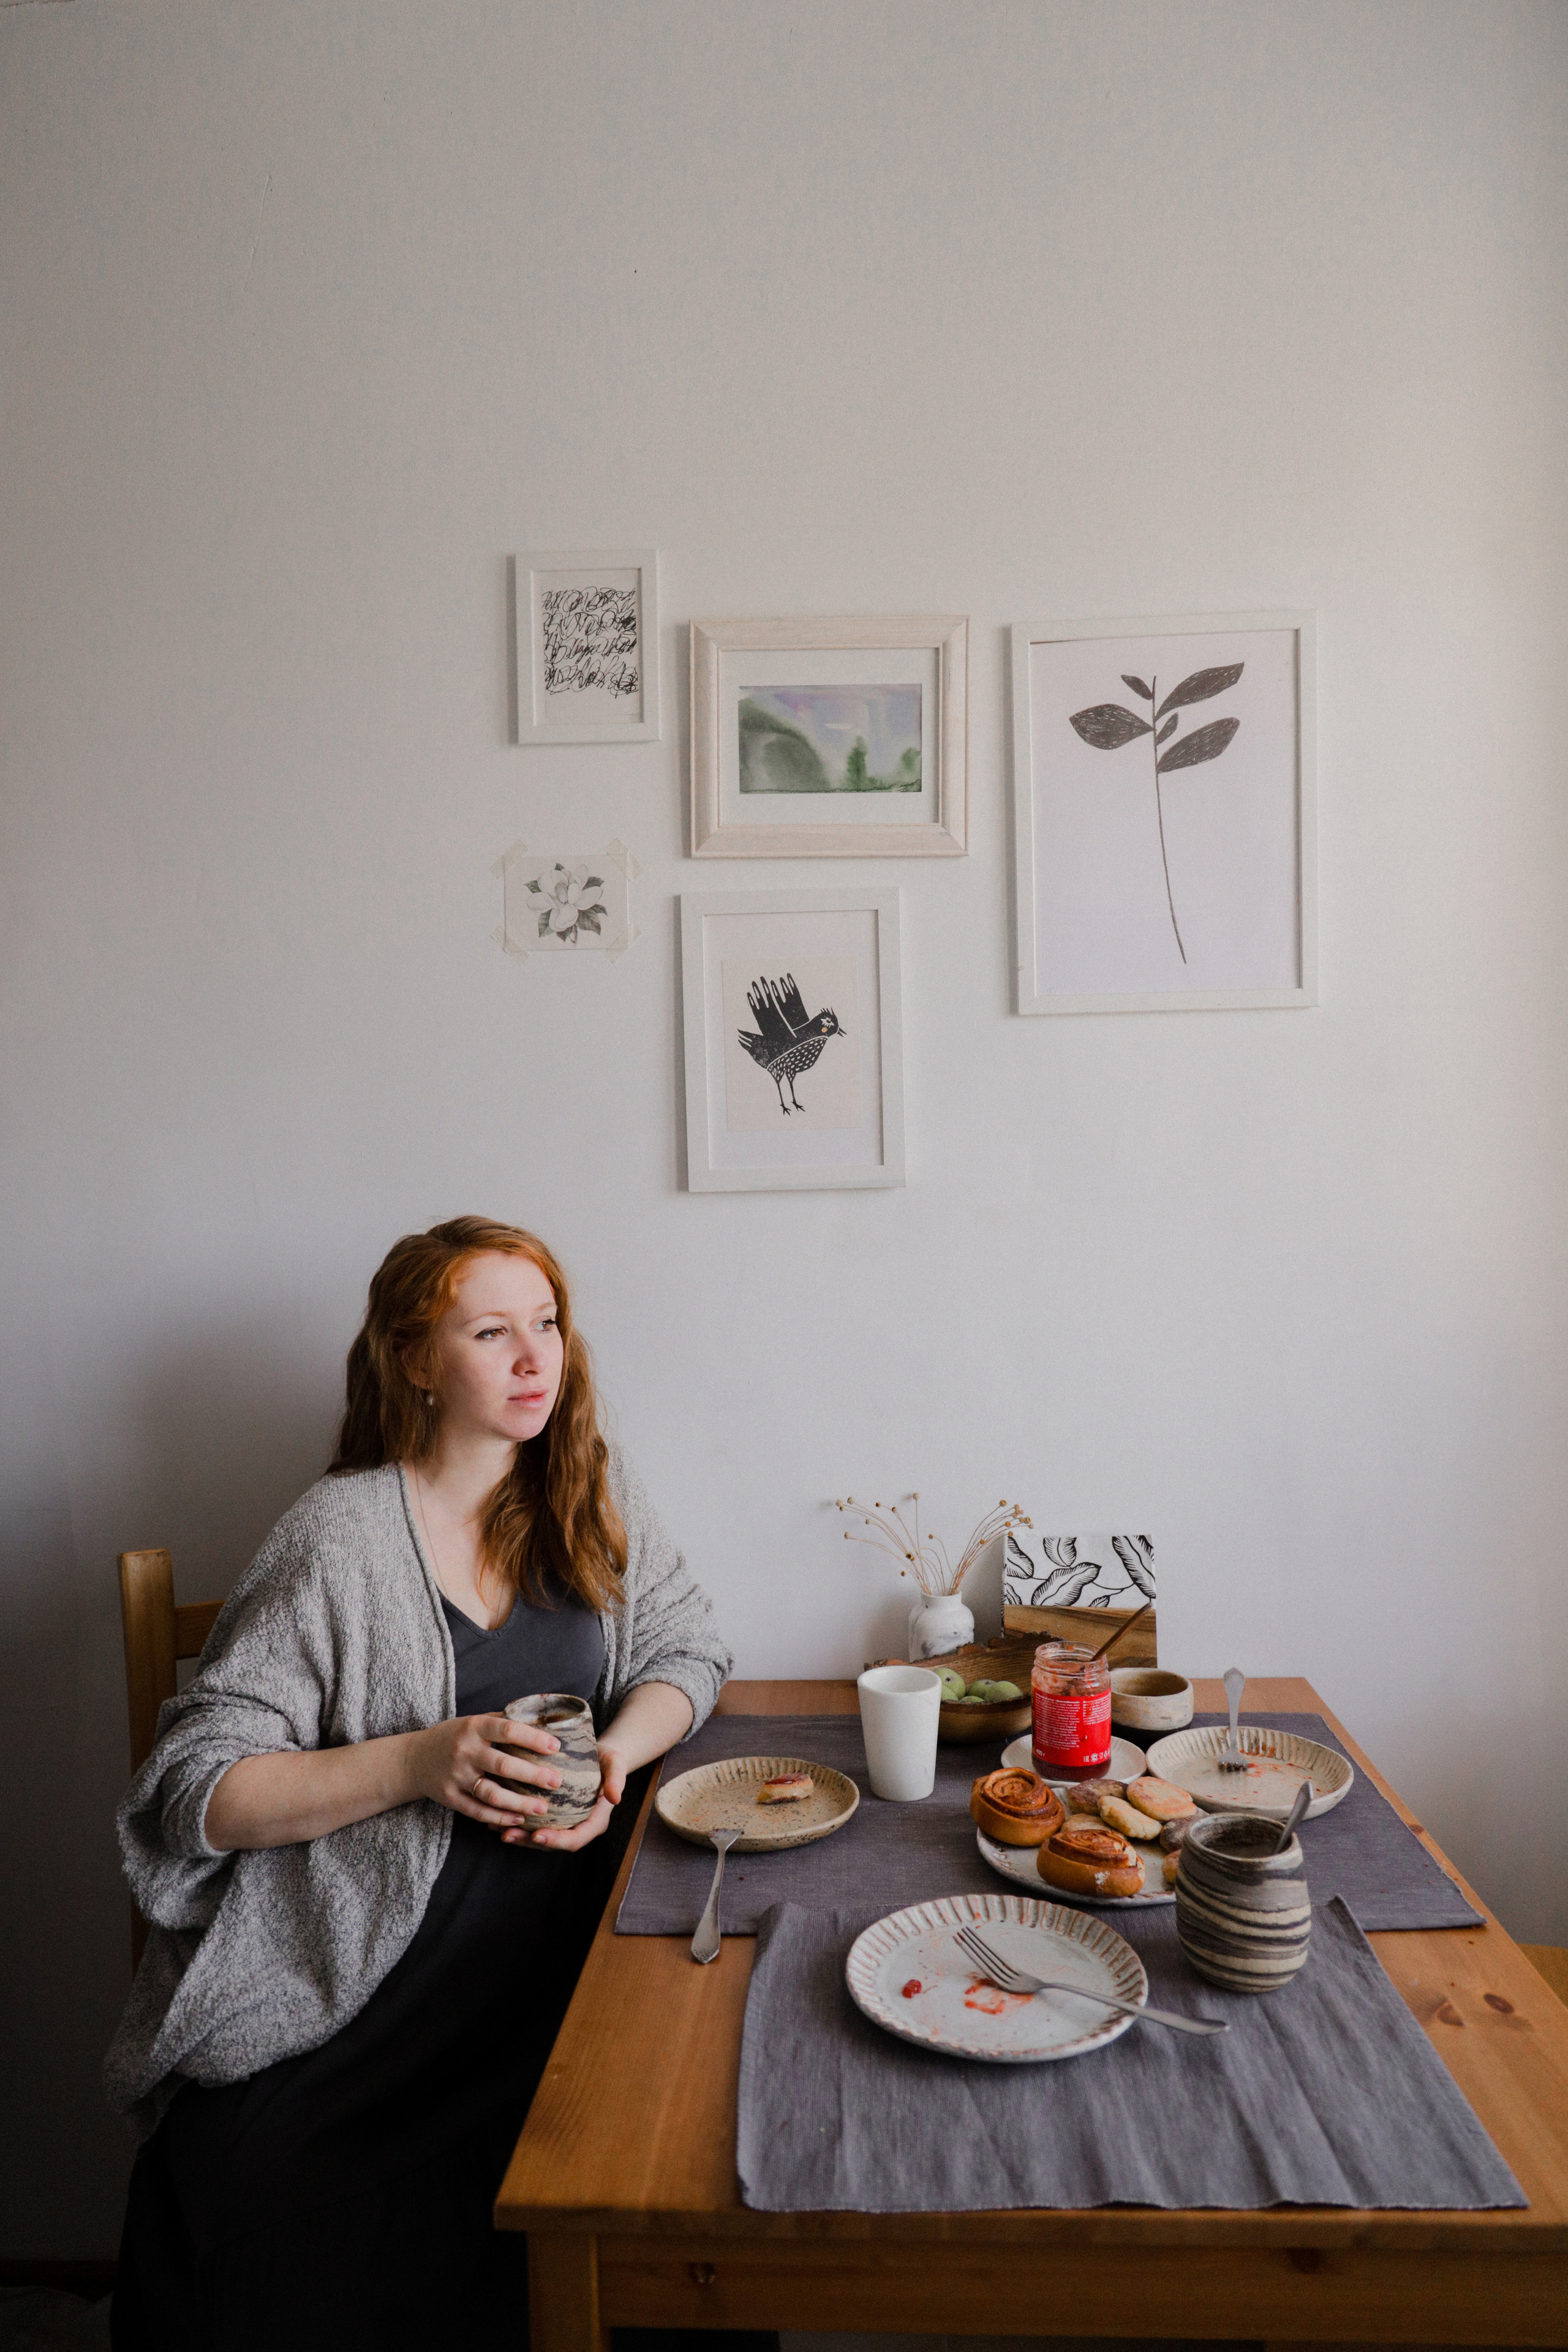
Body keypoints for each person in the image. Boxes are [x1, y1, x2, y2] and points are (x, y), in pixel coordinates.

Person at [107, 1215, 734, 2351]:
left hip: (564, 1976)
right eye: (493, 1332)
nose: (537, 1358)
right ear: (414, 1359)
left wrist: (617, 1758)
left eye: (546, 1325)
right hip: (368, 1991)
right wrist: (416, 1761)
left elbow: (688, 1653)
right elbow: (191, 1789)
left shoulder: (588, 1488)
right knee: (271, 2240)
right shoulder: (337, 1539)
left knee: (676, 2209)